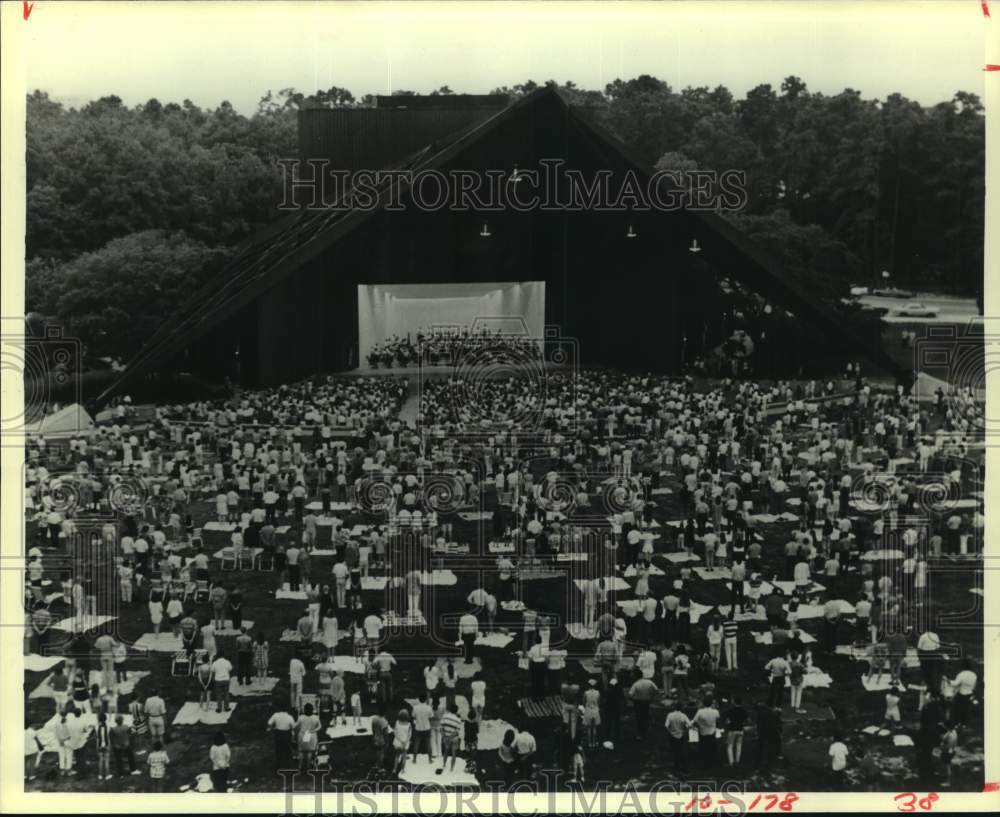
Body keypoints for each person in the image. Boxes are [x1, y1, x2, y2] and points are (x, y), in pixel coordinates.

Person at [627, 675, 659, 740]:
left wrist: (633, 699)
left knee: (639, 718)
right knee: (645, 716)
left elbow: (630, 695)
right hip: (647, 701)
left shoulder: (635, 684)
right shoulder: (649, 682)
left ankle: (641, 734)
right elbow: (656, 690)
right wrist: (651, 696)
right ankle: (645, 731)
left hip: (638, 702)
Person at [693, 696, 720, 768]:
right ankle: (712, 764)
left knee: (703, 749)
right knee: (712, 749)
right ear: (711, 703)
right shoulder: (716, 711)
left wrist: (699, 724)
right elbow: (717, 720)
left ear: (703, 703)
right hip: (712, 733)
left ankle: (704, 764)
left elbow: (694, 721)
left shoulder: (700, 711)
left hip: (703, 733)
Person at [266, 705, 296, 772]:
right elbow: (293, 727)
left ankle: (278, 767)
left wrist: (272, 728)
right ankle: (286, 768)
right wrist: (293, 737)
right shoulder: (289, 717)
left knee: (279, 751)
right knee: (287, 751)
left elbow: (269, 723)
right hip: (287, 734)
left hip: (278, 734)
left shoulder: (275, 715)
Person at [110, 713, 139, 777]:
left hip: (118, 746)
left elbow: (111, 739)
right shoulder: (126, 727)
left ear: (115, 721)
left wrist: (114, 745)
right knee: (131, 756)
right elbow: (132, 733)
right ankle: (133, 770)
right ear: (122, 720)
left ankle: (121, 773)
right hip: (125, 745)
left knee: (118, 759)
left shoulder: (113, 729)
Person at [664, 702, 691, 772]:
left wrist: (670, 732)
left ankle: (676, 765)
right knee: (681, 750)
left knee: (674, 750)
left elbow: (666, 726)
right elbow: (689, 725)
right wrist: (685, 730)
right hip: (681, 735)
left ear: (674, 707)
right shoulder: (683, 716)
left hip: (672, 735)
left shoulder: (670, 715)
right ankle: (683, 765)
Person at [950, 658, 977, 726]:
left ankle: (957, 723)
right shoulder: (974, 675)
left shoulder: (961, 674)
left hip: (962, 694)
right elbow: (974, 686)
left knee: (957, 709)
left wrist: (948, 681)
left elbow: (955, 683)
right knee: (966, 709)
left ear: (963, 666)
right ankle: (964, 724)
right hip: (970, 694)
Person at [438, 701, 463, 774]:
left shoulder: (445, 716)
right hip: (454, 738)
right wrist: (450, 737)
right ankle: (451, 769)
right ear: (456, 711)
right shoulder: (458, 720)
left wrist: (445, 737)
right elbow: (457, 732)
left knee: (446, 751)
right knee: (453, 753)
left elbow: (441, 728)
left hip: (445, 736)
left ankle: (444, 764)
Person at [296, 703, 321, 771]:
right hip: (311, 735)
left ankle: (300, 767)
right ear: (312, 710)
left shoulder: (301, 717)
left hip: (303, 734)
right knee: (310, 752)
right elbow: (319, 727)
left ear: (304, 710)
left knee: (301, 751)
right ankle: (308, 767)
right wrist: (314, 730)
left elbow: (297, 726)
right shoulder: (316, 717)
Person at [725, 695, 748, 766]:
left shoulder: (730, 711)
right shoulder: (744, 711)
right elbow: (747, 720)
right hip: (740, 729)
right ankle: (737, 761)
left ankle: (731, 762)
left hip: (732, 729)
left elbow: (727, 721)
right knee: (739, 745)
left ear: (734, 702)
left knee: (730, 746)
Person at [411, 694, 434, 763]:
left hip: (418, 727)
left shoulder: (415, 708)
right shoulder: (429, 708)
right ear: (426, 699)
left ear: (419, 699)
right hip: (427, 727)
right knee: (428, 744)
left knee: (416, 744)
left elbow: (413, 716)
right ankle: (430, 760)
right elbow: (431, 717)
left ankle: (414, 759)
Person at [581, 679, 601, 749]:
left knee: (589, 728)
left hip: (588, 711)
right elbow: (598, 702)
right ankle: (594, 743)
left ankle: (590, 743)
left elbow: (583, 703)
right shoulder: (598, 693)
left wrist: (586, 706)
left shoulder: (585, 693)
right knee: (594, 728)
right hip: (595, 710)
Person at [393, 710, 413, 775]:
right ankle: (403, 769)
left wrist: (400, 740)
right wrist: (405, 741)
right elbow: (409, 735)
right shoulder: (409, 725)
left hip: (398, 742)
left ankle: (395, 769)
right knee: (404, 757)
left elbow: (395, 733)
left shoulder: (397, 723)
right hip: (405, 743)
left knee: (396, 756)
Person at [95, 711, 112, 780]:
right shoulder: (108, 726)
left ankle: (100, 775)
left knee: (100, 760)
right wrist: (109, 745)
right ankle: (107, 774)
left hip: (99, 744)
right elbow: (108, 737)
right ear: (106, 718)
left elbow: (97, 737)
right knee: (107, 760)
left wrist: (96, 746)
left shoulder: (96, 727)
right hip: (106, 744)